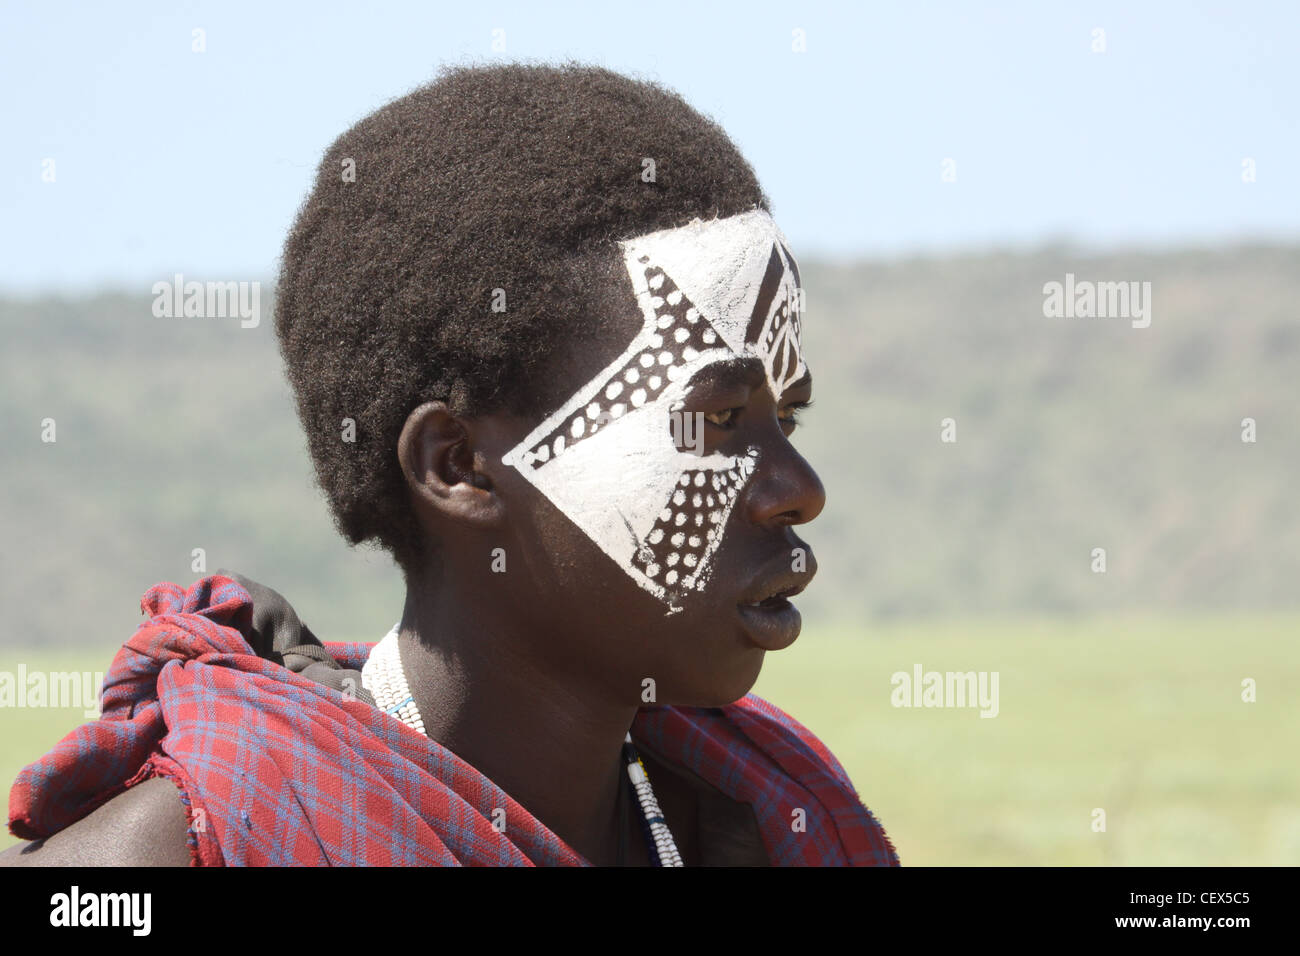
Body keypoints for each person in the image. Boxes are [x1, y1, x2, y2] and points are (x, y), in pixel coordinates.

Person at [3, 62, 898, 867]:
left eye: (789, 416)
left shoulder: (766, 822)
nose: (799, 489)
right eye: (717, 421)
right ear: (459, 467)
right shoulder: (186, 853)